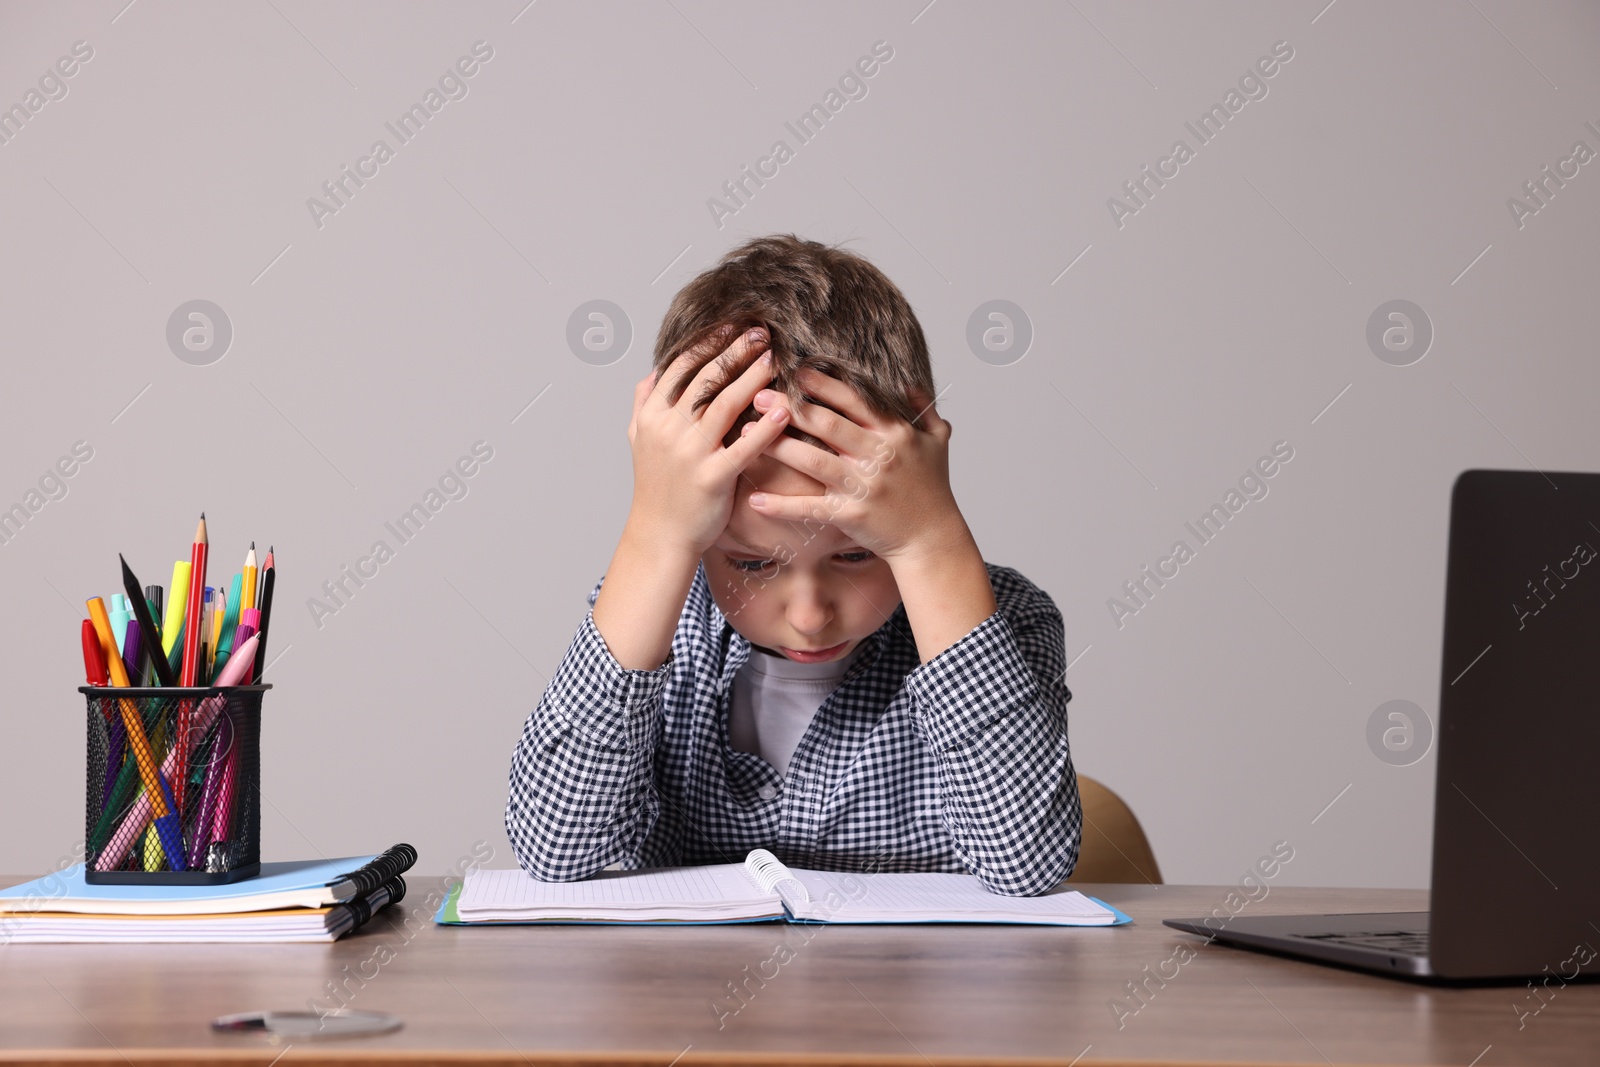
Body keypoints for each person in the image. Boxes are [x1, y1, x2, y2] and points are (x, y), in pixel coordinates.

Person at [505, 234, 1080, 895]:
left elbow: (1027, 862)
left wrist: (931, 544)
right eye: (752, 564)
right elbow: (553, 846)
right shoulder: (664, 615)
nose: (809, 616)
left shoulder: (1005, 619)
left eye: (856, 553)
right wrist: (654, 538)